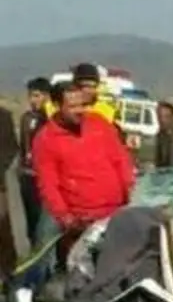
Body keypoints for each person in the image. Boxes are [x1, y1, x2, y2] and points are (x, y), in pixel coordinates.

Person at [30, 81, 135, 256]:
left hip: (116, 215)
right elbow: (48, 185)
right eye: (72, 106)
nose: (80, 111)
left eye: (82, 105)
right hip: (83, 221)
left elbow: (121, 159)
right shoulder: (46, 139)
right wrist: (66, 218)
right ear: (57, 106)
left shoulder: (99, 124)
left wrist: (131, 190)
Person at [17, 78, 51, 245]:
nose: (33, 100)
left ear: (46, 96)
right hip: (27, 176)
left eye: (37, 96)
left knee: (43, 223)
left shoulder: (51, 120)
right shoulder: (25, 118)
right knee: (30, 222)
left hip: (44, 178)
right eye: (31, 96)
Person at [70, 62, 121, 127]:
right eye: (84, 86)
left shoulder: (107, 112)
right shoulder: (62, 109)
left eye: (93, 86)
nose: (88, 91)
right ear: (74, 86)